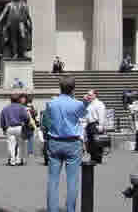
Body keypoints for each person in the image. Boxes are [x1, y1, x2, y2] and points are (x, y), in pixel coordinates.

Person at [43, 76, 93, 212]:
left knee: (53, 180)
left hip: (55, 141)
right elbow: (82, 114)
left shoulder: (51, 103)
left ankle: (52, 209)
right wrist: (86, 103)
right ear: (73, 89)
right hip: (72, 142)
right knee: (72, 181)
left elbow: (46, 122)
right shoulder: (76, 104)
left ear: (60, 87)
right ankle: (70, 209)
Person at [0, 90, 30, 166]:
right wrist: (25, 123)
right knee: (20, 145)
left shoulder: (5, 108)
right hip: (19, 127)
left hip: (9, 128)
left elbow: (2, 119)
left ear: (10, 100)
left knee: (11, 144)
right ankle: (18, 160)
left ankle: (12, 160)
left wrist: (3, 128)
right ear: (18, 100)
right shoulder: (21, 107)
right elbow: (26, 117)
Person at [84, 90, 106, 163]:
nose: (88, 96)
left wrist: (101, 125)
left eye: (90, 95)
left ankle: (98, 158)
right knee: (90, 142)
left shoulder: (99, 104)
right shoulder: (89, 104)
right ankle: (93, 157)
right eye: (88, 95)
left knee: (97, 142)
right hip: (89, 124)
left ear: (95, 95)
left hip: (95, 124)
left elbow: (101, 115)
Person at [19, 94, 38, 159]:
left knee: (31, 139)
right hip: (22, 124)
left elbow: (35, 114)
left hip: (29, 124)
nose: (22, 100)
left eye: (23, 98)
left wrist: (31, 110)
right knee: (22, 139)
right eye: (21, 98)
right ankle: (21, 153)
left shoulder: (30, 106)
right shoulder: (19, 106)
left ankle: (30, 152)